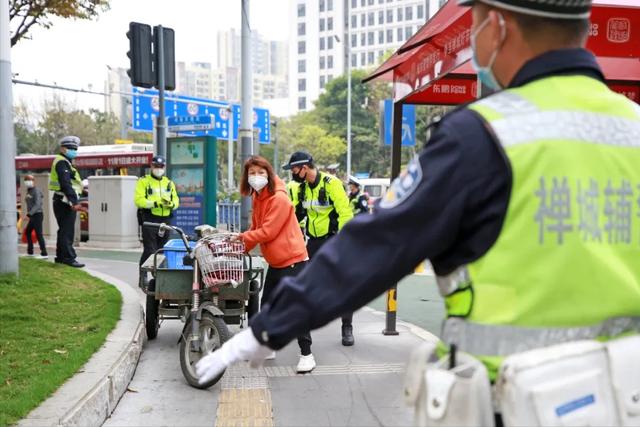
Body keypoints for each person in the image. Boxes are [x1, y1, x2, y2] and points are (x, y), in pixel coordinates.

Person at [197, 0, 640, 421]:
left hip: (515, 403)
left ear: (500, 27)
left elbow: (377, 245)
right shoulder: (632, 127)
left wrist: (266, 329)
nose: (475, 36)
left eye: (478, 21)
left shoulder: (482, 136)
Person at [236, 155, 315, 373]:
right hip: (276, 261)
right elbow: (255, 228)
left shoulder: (279, 198)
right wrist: (240, 248)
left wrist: (241, 239)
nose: (256, 177)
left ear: (269, 175)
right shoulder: (258, 196)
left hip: (293, 260)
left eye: (261, 173)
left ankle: (307, 355)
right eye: (252, 173)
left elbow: (268, 231)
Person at [284, 151, 356, 346]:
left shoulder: (332, 184)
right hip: (313, 242)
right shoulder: (303, 189)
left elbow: (345, 213)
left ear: (304, 168)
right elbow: (295, 216)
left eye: (294, 169)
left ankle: (347, 326)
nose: (293, 173)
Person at [134, 155, 179, 266]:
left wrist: (171, 204)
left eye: (161, 166)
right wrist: (154, 203)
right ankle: (143, 275)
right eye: (156, 166)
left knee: (161, 250)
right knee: (150, 249)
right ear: (151, 166)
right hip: (150, 218)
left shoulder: (169, 183)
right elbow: (138, 200)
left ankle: (157, 276)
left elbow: (176, 200)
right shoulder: (144, 181)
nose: (158, 168)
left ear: (164, 167)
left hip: (165, 219)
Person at [49, 136, 85, 268]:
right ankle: (69, 258)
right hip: (64, 201)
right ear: (63, 148)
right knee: (67, 231)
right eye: (70, 148)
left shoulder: (65, 162)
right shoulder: (62, 162)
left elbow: (72, 183)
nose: (73, 151)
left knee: (63, 230)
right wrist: (74, 202)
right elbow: (65, 184)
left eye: (75, 149)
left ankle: (60, 257)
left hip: (62, 199)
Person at [24, 175, 48, 259]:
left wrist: (29, 214)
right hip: (33, 216)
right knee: (28, 232)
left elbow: (38, 204)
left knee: (39, 234)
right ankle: (30, 252)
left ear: (34, 181)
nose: (27, 181)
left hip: (37, 214)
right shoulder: (29, 191)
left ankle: (44, 253)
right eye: (26, 180)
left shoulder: (36, 191)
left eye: (29, 180)